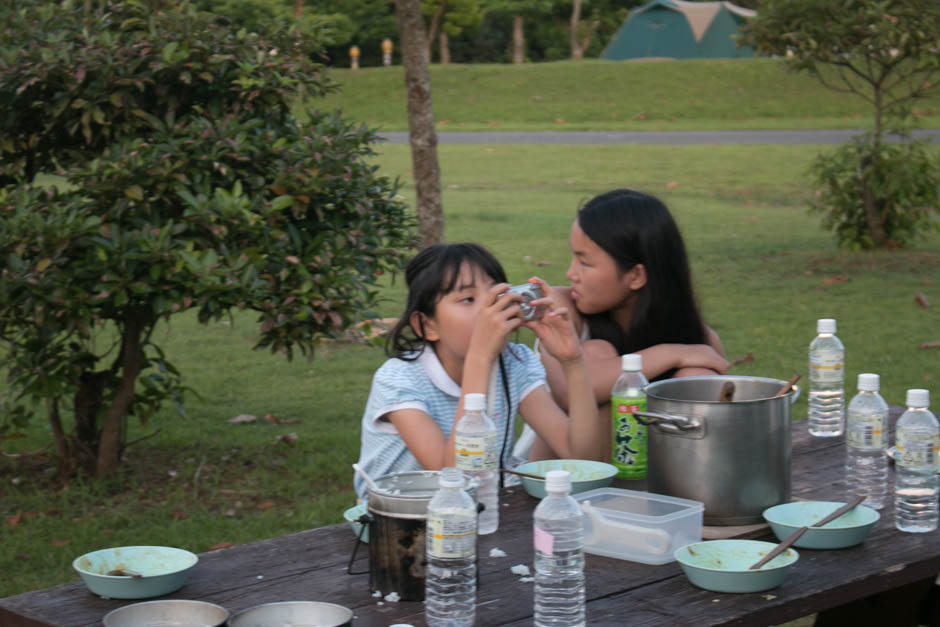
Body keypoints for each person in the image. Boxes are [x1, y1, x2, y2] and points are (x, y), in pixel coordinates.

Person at [353, 243, 603, 499]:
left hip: (483, 511)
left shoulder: (514, 363)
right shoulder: (399, 379)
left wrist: (572, 361)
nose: (489, 310)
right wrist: (480, 357)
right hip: (395, 520)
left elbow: (581, 457)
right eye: (468, 299)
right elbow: (451, 479)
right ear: (427, 326)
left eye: (496, 295)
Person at [533, 189, 728, 455]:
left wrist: (685, 357)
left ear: (636, 275)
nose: (570, 273)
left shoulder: (698, 340)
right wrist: (671, 353)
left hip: (659, 471)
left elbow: (727, 420)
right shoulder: (559, 310)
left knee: (697, 376)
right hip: (568, 475)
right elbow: (569, 391)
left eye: (584, 262)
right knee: (596, 353)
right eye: (573, 257)